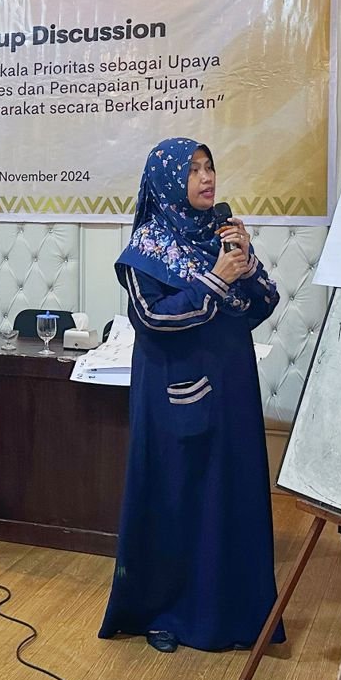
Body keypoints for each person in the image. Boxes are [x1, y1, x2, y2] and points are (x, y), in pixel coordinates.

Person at [98, 138, 283, 653]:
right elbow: (153, 317)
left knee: (233, 494)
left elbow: (262, 304)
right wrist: (215, 281)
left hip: (232, 389)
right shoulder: (146, 249)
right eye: (193, 170)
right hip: (176, 391)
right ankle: (164, 612)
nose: (206, 178)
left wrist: (247, 265)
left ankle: (238, 612)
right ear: (167, 181)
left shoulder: (220, 237)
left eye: (209, 167)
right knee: (178, 500)